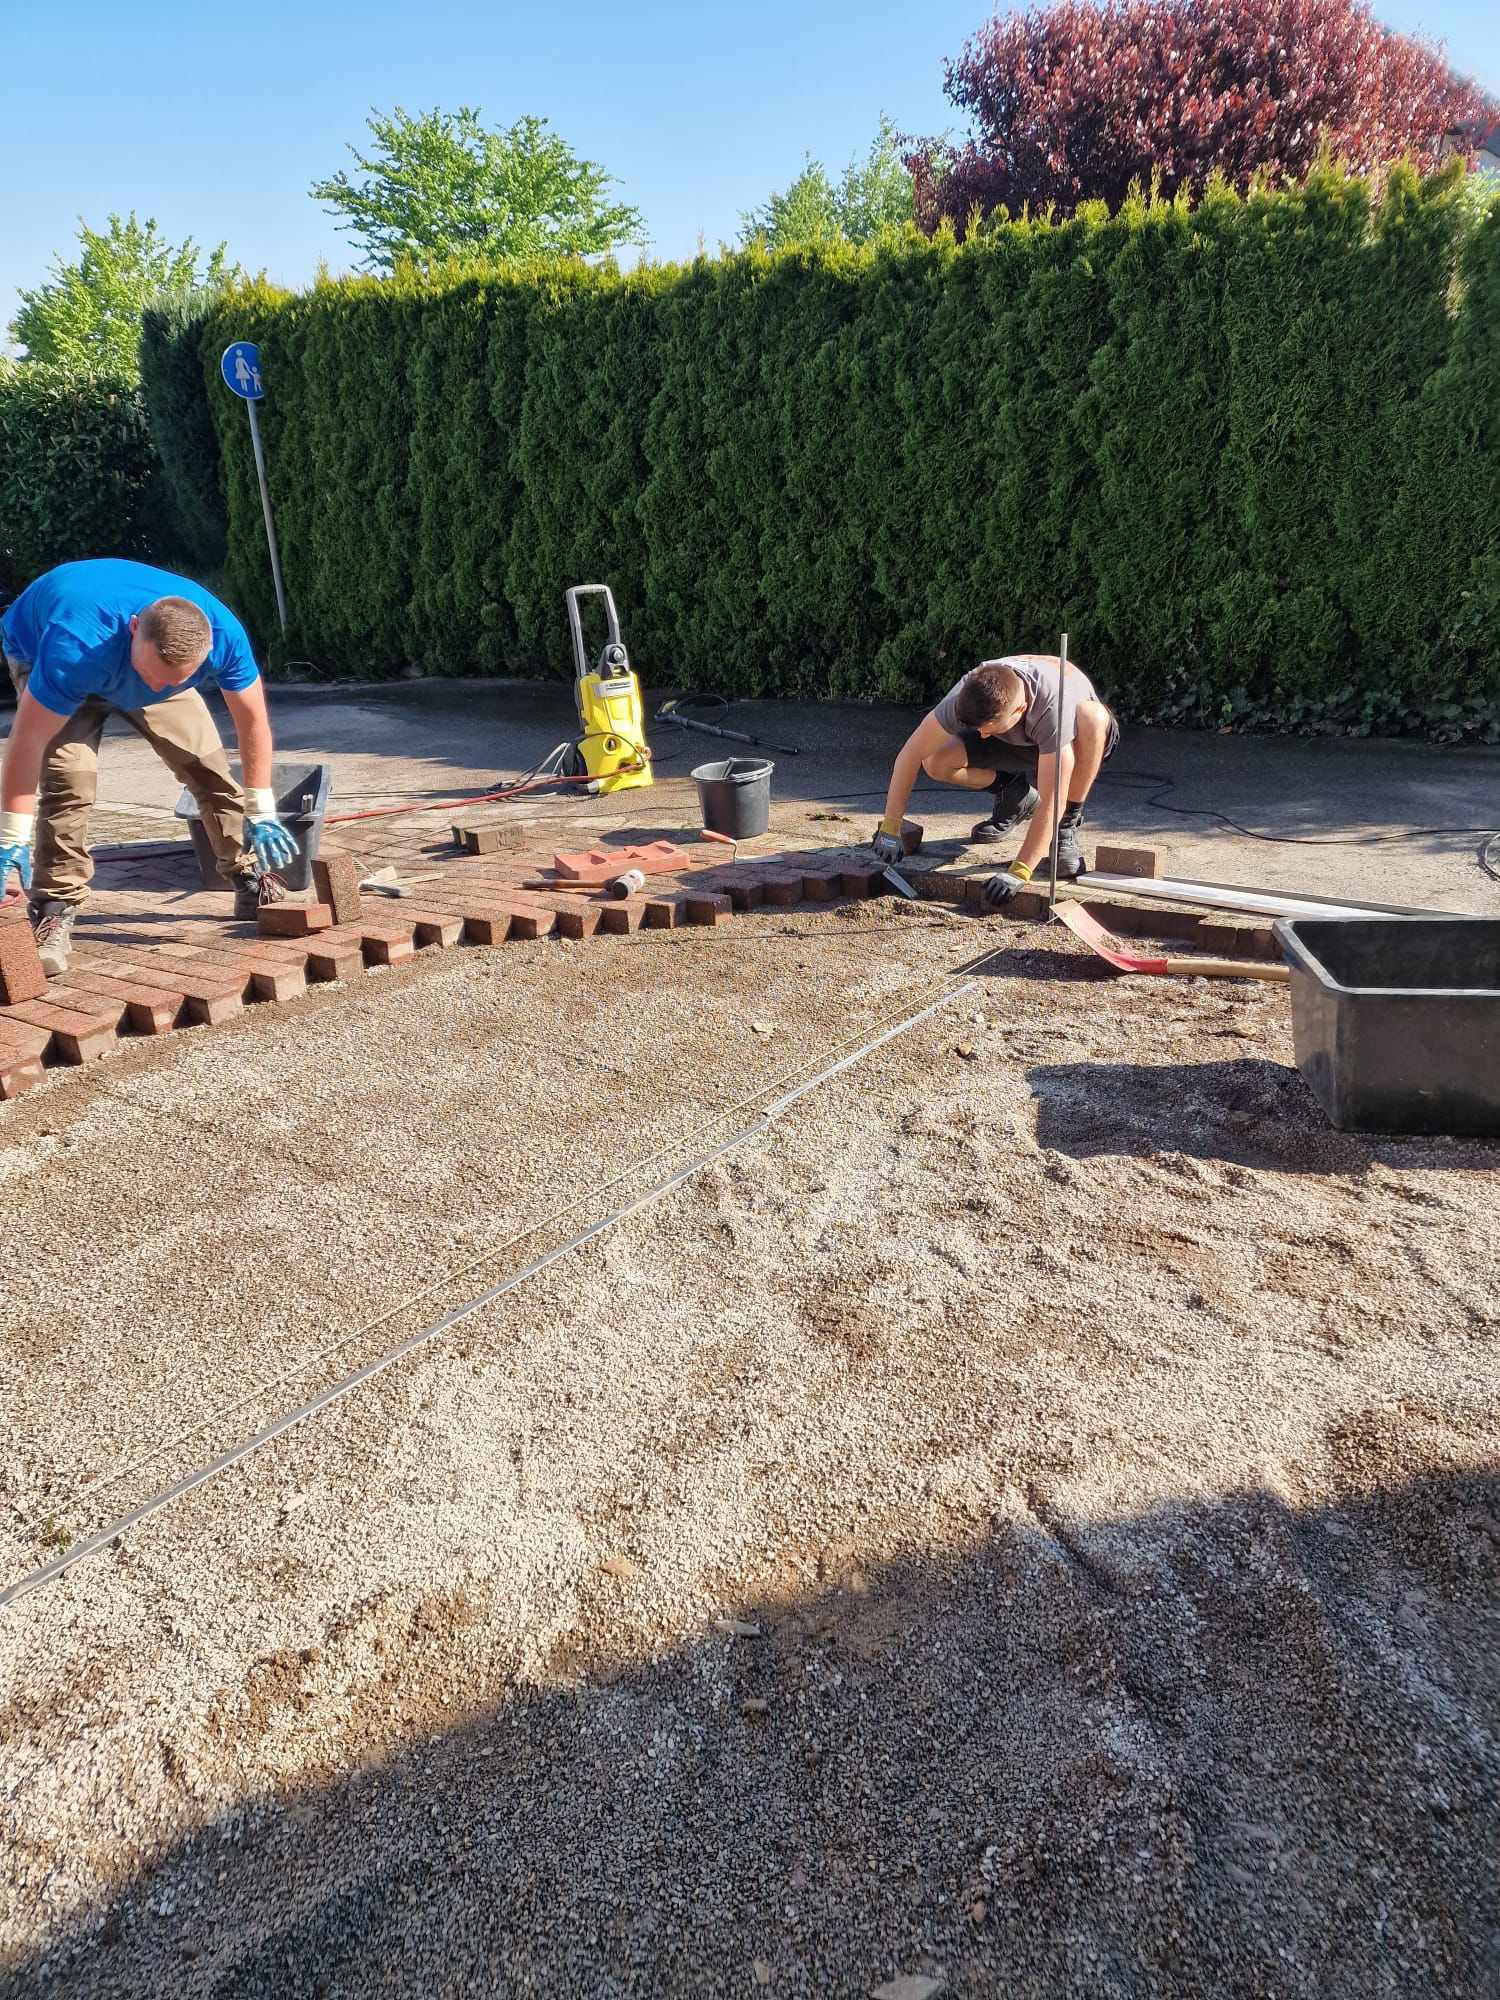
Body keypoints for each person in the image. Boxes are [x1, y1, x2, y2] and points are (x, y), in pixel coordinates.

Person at [0, 558, 299, 975]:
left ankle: (247, 875)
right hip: (52, 654)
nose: (154, 689)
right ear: (134, 628)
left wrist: (261, 809)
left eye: (172, 681)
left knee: (207, 767)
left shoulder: (223, 637)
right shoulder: (73, 646)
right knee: (69, 783)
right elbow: (27, 740)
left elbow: (253, 723)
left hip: (128, 653)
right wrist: (12, 833)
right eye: (152, 675)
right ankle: (54, 907)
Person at [872, 654, 1119, 903]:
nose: (981, 735)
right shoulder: (968, 692)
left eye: (988, 728)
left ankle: (1066, 826)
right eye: (979, 729)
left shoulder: (1052, 711)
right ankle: (1014, 793)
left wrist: (1020, 871)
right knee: (935, 760)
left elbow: (1052, 801)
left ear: (1020, 709)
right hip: (1014, 733)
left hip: (1073, 737)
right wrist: (890, 827)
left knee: (1093, 718)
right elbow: (910, 755)